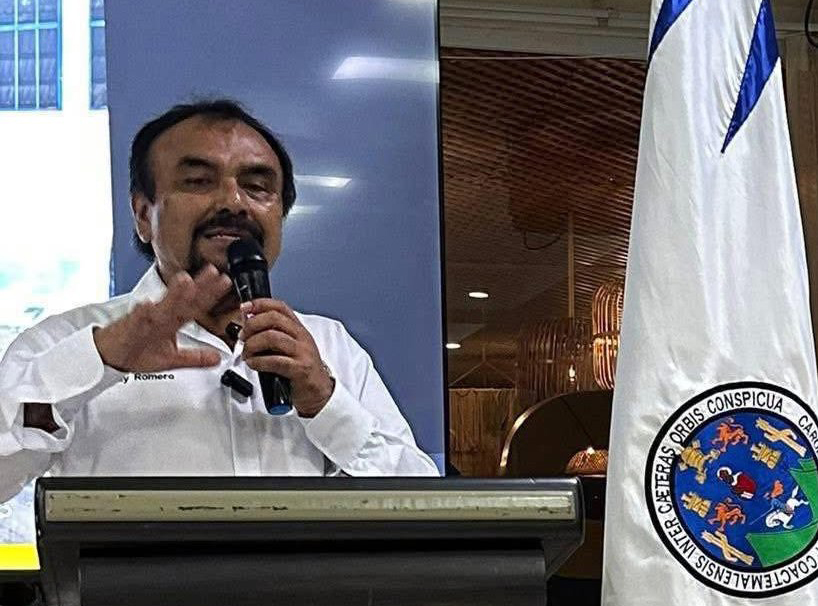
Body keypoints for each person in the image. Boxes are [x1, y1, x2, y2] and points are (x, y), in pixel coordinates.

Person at [0, 99, 438, 501]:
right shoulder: (65, 340)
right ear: (143, 214)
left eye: (258, 186)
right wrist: (99, 362)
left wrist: (325, 401)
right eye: (198, 181)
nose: (234, 201)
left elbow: (422, 503)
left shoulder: (330, 346)